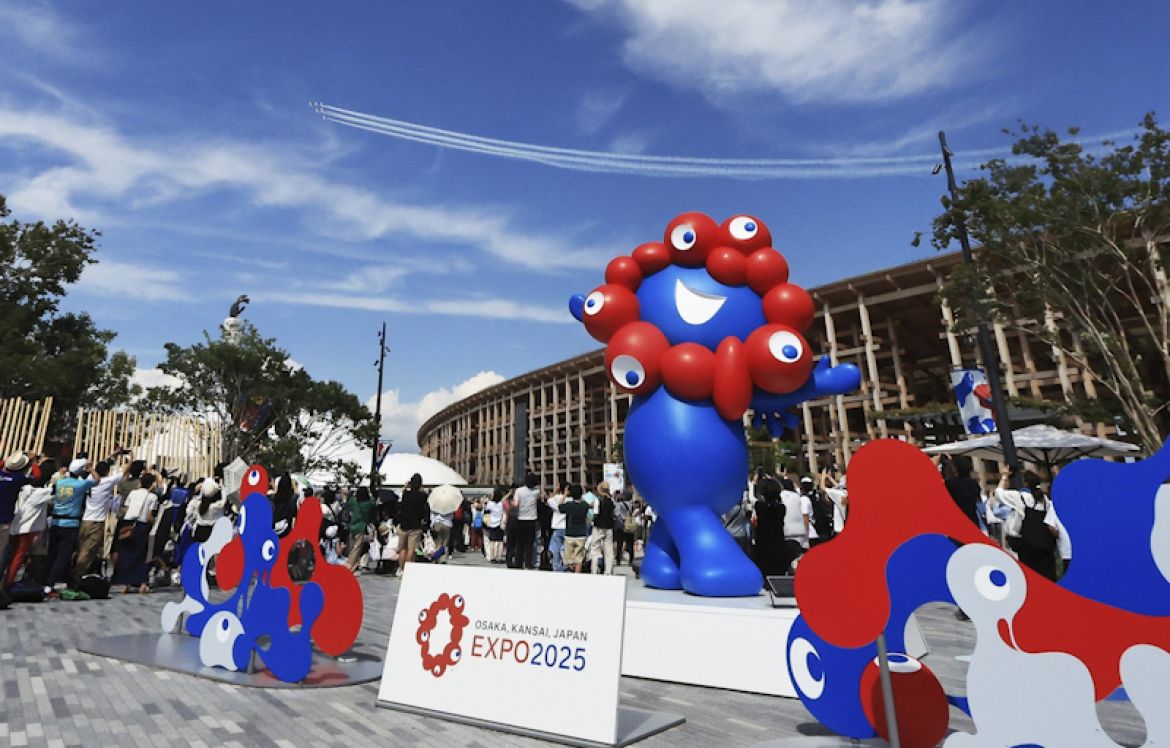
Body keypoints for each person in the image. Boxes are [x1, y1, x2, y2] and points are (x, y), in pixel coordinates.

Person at [996, 468, 1059, 581]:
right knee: (1048, 577)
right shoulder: (1045, 500)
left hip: (1027, 544)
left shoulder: (1020, 497)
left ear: (1025, 483)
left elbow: (999, 493)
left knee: (1031, 578)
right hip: (1045, 545)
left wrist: (1004, 476)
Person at [47, 458, 98, 590]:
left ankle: (49, 580)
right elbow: (97, 480)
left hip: (56, 521)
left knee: (53, 553)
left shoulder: (59, 482)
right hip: (70, 523)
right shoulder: (80, 485)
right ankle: (51, 583)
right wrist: (91, 469)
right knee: (64, 555)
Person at [3, 458, 54, 589]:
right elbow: (52, 490)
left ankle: (5, 580)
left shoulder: (22, 487)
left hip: (15, 525)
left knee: (8, 555)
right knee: (18, 557)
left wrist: (33, 463)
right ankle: (8, 583)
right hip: (28, 530)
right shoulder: (42, 493)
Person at [76, 459, 124, 579]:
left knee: (83, 548)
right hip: (96, 522)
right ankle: (78, 575)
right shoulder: (107, 481)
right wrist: (131, 458)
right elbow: (125, 472)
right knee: (88, 550)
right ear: (107, 471)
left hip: (85, 520)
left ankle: (84, 573)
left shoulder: (89, 479)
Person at [111, 473, 158, 594]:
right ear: (152, 484)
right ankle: (142, 583)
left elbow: (127, 508)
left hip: (128, 524)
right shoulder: (152, 497)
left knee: (126, 553)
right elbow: (149, 516)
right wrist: (156, 523)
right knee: (142, 555)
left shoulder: (133, 493)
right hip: (142, 525)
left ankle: (125, 583)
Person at [1, 452, 39, 569]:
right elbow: (37, 476)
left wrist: (11, 459)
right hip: (4, 520)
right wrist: (34, 463)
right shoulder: (18, 479)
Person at [752, 478, 789, 575]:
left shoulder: (760, 507)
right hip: (778, 542)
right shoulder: (781, 508)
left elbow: (754, 499)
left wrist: (754, 483)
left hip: (763, 543)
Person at [396, 474, 428, 574]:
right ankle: (408, 570)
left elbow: (399, 498)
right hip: (415, 525)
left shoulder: (406, 494)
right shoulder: (423, 496)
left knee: (402, 549)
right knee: (411, 549)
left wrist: (405, 486)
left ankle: (401, 569)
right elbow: (425, 508)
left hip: (404, 524)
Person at [944, 456, 984, 529]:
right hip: (973, 520)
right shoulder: (973, 483)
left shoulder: (950, 484)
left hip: (957, 522)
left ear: (955, 469)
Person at [558, 484, 590, 573]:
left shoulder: (569, 505)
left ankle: (571, 571)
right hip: (581, 534)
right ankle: (577, 575)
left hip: (569, 534)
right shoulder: (584, 505)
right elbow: (589, 512)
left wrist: (565, 494)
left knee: (568, 559)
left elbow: (559, 506)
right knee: (579, 559)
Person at [779, 478, 809, 570]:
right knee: (798, 557)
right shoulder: (797, 496)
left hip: (786, 531)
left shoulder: (780, 496)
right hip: (800, 531)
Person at [346, 486, 376, 572]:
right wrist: (371, 495)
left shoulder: (353, 500)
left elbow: (349, 501)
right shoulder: (368, 503)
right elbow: (374, 503)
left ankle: (351, 563)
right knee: (357, 548)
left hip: (352, 525)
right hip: (361, 526)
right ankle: (350, 565)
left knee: (351, 547)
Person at [590, 481, 616, 575]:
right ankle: (608, 571)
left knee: (595, 548)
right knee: (609, 550)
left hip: (598, 527)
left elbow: (596, 514)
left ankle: (594, 569)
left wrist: (592, 521)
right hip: (609, 527)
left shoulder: (598, 500)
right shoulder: (611, 500)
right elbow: (614, 514)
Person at [190, 478, 227, 543]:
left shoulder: (198, 503)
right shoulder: (215, 507)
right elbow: (223, 501)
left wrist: (203, 488)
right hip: (209, 533)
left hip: (198, 530)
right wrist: (222, 489)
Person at [546, 484, 568, 571]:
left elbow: (549, 500)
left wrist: (556, 491)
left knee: (556, 548)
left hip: (557, 526)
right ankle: (566, 565)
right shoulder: (569, 499)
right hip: (567, 526)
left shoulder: (555, 499)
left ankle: (556, 565)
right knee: (566, 547)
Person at [613, 489, 637, 566]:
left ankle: (618, 559)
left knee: (619, 543)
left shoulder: (619, 504)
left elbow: (617, 514)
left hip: (621, 525)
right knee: (630, 542)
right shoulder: (632, 504)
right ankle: (631, 559)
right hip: (629, 524)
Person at [484, 488, 505, 563]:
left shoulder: (490, 503)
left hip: (492, 524)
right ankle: (499, 557)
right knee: (500, 541)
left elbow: (486, 509)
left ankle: (492, 557)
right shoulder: (502, 503)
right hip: (500, 523)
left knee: (492, 541)